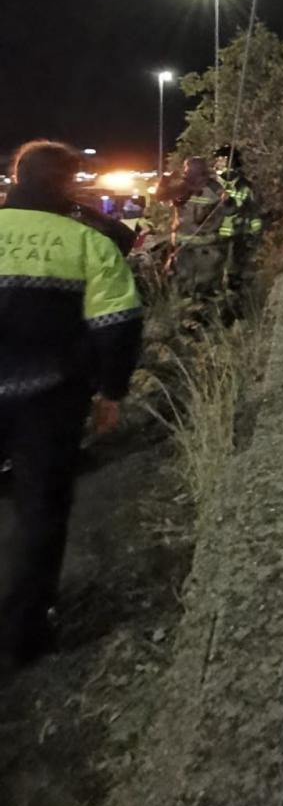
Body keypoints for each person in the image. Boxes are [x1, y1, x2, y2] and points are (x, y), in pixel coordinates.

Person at [0, 140, 143, 672]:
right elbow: (117, 324)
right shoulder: (87, 242)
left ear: (17, 176)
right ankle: (22, 639)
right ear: (67, 182)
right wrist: (112, 392)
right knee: (38, 515)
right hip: (50, 401)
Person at [163, 156, 227, 297]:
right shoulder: (181, 186)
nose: (184, 172)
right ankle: (183, 311)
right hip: (182, 246)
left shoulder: (214, 188)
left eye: (187, 168)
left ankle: (207, 313)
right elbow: (161, 195)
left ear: (198, 170)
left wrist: (227, 200)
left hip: (206, 248)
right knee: (181, 283)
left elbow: (230, 208)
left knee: (205, 285)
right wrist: (165, 181)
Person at [214, 146, 263, 302]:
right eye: (218, 159)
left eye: (224, 159)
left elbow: (253, 211)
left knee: (235, 273)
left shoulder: (245, 186)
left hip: (238, 236)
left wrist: (255, 234)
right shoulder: (212, 185)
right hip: (214, 237)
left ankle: (235, 304)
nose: (220, 163)